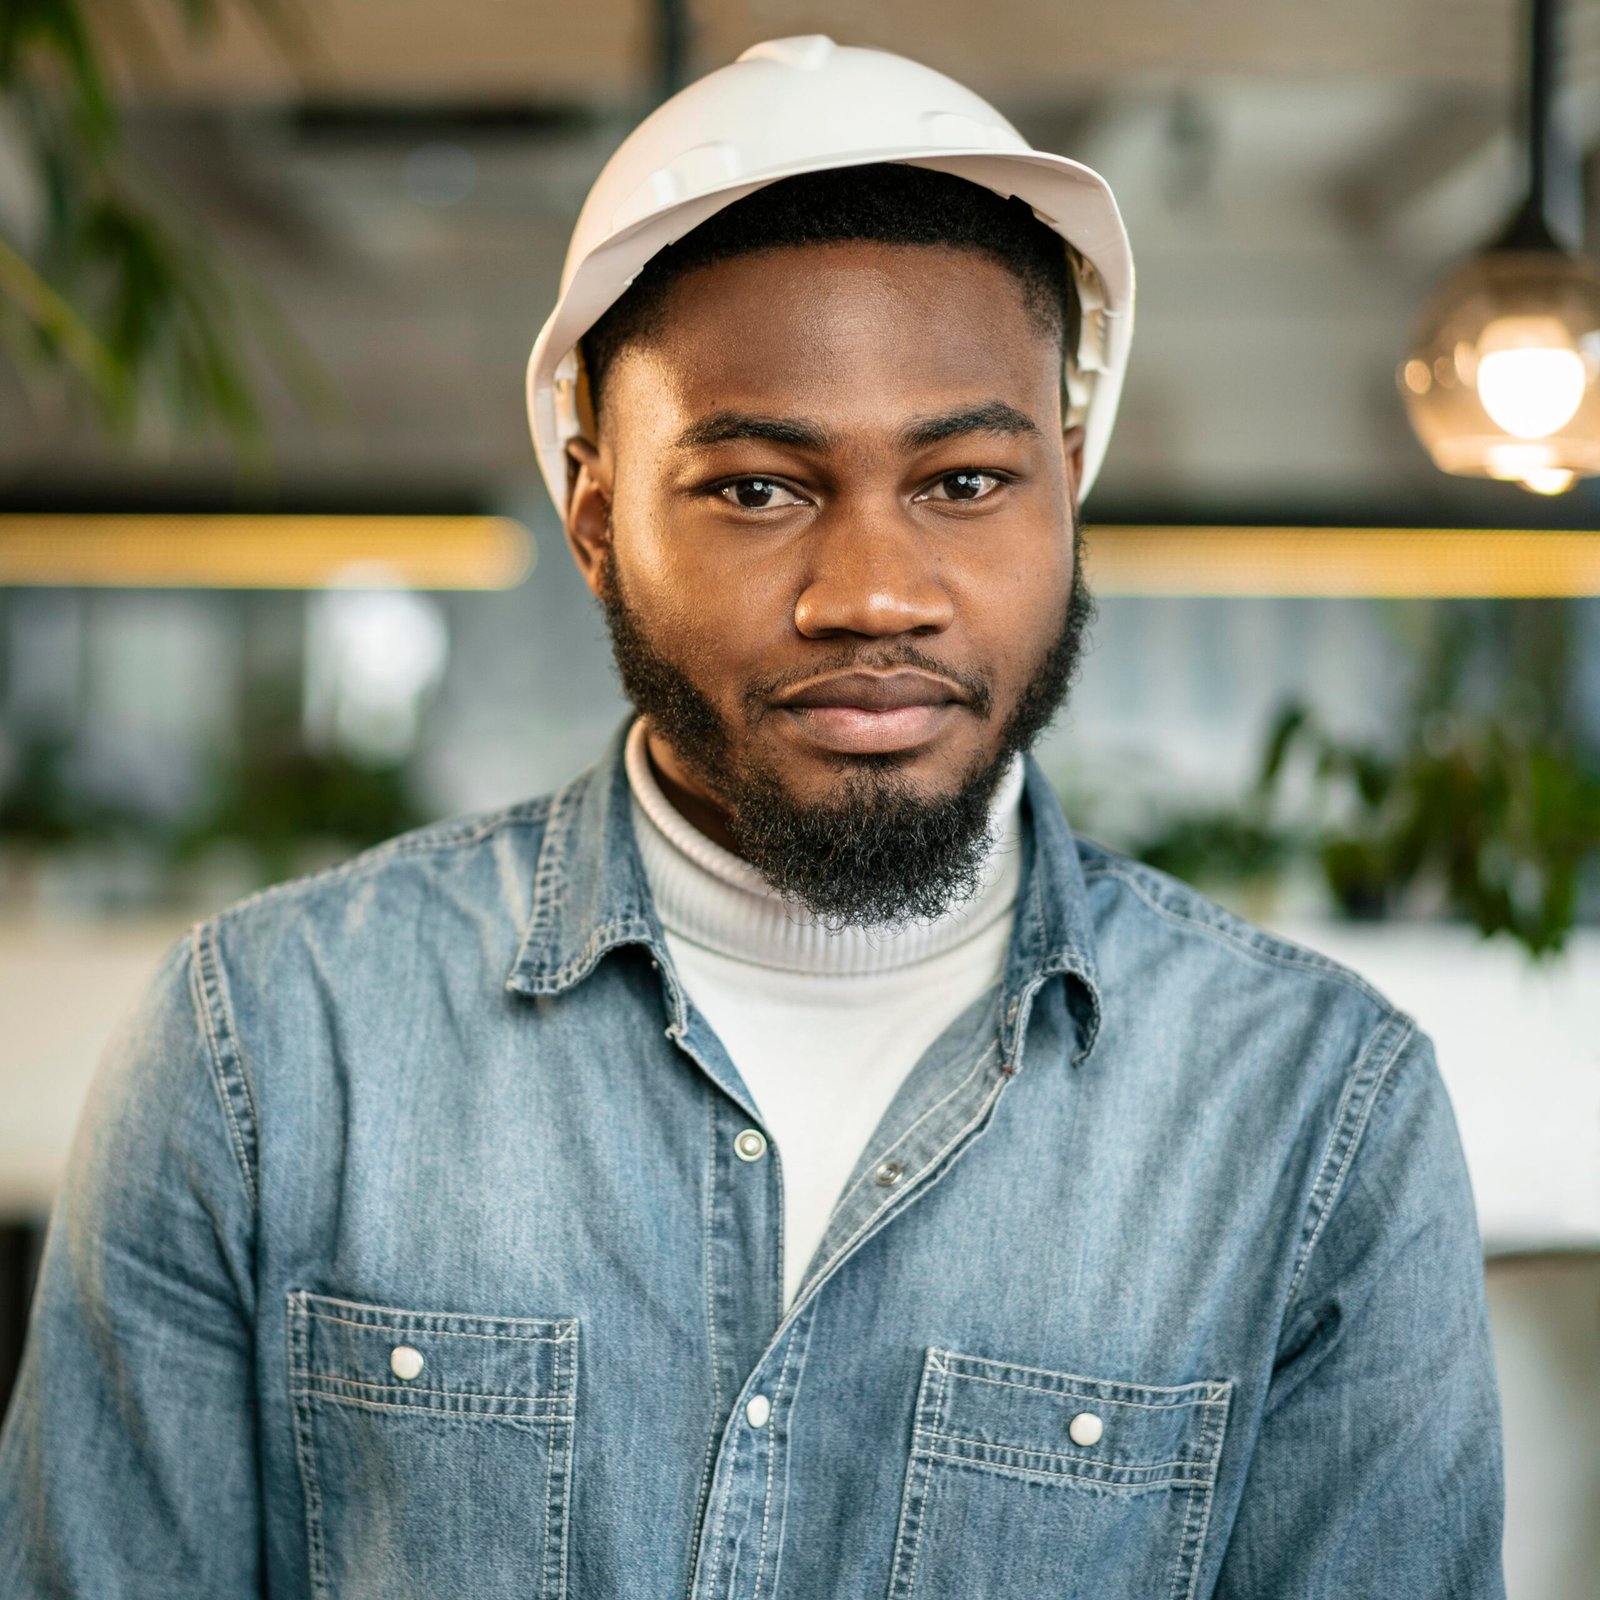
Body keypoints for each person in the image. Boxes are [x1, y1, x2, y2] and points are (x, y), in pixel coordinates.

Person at [0, 36, 1505, 1600]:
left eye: (967, 482)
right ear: (596, 518)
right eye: (755, 490)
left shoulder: (1320, 1114)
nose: (872, 594)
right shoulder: (270, 1052)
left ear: (1070, 486)